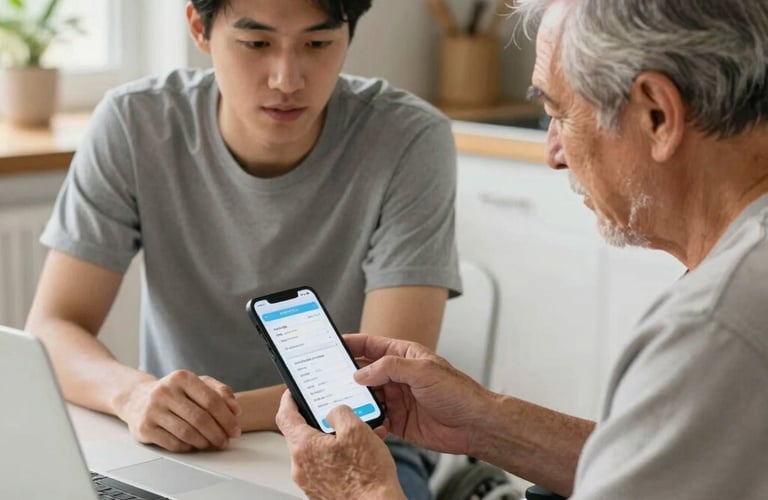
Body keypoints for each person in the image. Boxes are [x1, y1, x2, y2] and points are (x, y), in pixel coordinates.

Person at [275, 0, 768, 498]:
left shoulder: (713, 328)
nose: (552, 153)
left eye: (558, 113)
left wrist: (362, 490)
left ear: (657, 115)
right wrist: (484, 421)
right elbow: (671, 468)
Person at [25, 1, 461, 498]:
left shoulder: (408, 137)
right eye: (256, 44)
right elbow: (54, 326)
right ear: (199, 27)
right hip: (178, 449)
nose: (286, 79)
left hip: (358, 441)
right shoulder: (135, 121)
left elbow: (381, 383)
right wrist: (134, 394)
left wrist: (206, 415)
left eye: (317, 44)